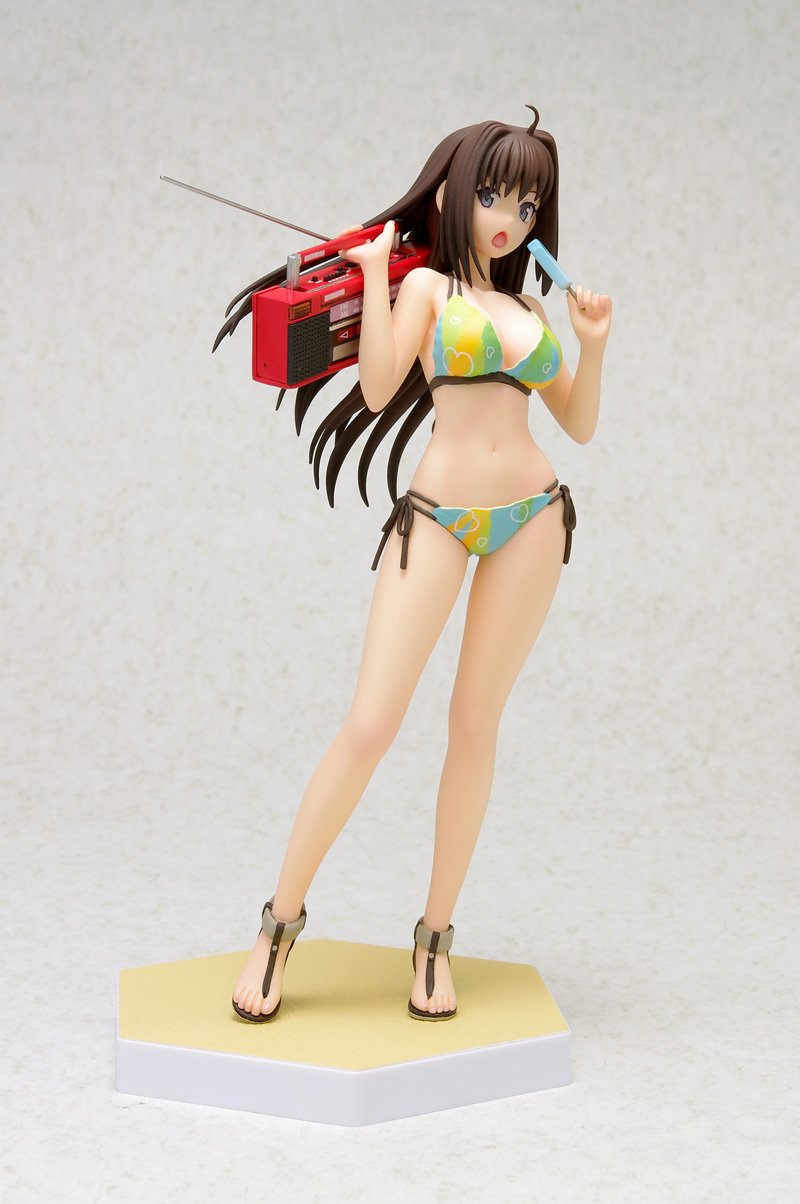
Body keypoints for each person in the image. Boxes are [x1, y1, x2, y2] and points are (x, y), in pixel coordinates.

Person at [225, 107, 612, 1023]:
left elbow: (579, 423)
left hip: (533, 517)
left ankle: (435, 938)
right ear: (451, 196)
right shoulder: (431, 290)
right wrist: (370, 276)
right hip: (437, 517)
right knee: (371, 724)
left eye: (527, 204)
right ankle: (277, 926)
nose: (507, 218)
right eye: (493, 195)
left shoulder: (532, 310)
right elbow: (375, 386)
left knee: (475, 724)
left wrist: (592, 344)